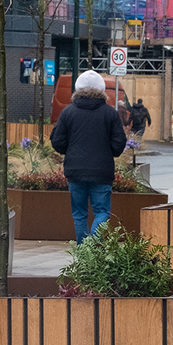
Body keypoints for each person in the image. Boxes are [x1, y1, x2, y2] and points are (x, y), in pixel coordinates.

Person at [50, 69, 127, 244]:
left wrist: (70, 150)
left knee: (79, 214)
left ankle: (84, 253)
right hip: (102, 172)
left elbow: (58, 142)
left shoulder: (68, 112)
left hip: (75, 171)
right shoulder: (110, 114)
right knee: (101, 212)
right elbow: (118, 145)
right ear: (101, 90)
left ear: (78, 89)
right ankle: (92, 248)